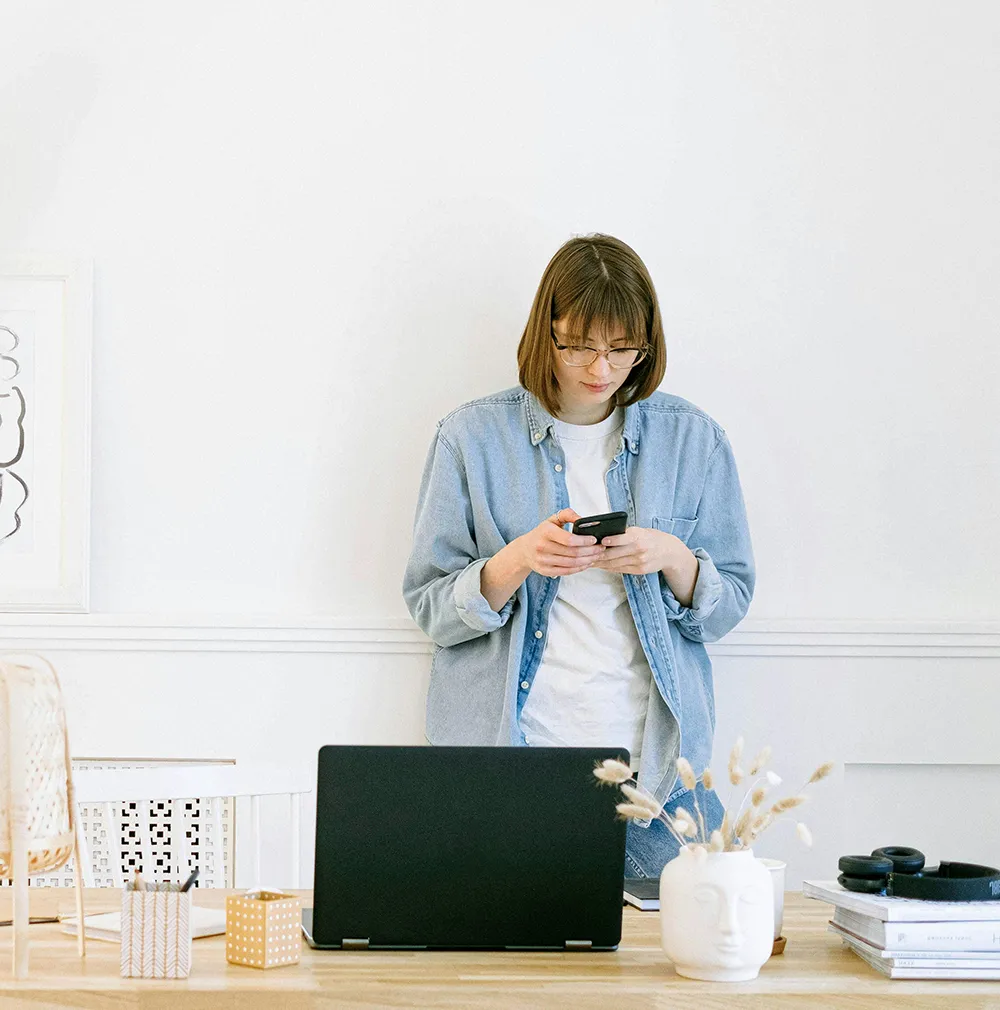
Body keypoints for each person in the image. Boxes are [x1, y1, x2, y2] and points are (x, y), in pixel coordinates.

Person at [402, 233, 754, 877]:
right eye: (580, 346)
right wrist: (517, 560)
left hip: (658, 776)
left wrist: (673, 557)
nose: (602, 368)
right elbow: (431, 608)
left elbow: (729, 603)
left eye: (623, 349)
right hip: (507, 765)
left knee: (692, 935)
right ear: (547, 332)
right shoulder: (470, 438)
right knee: (503, 943)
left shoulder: (693, 440)